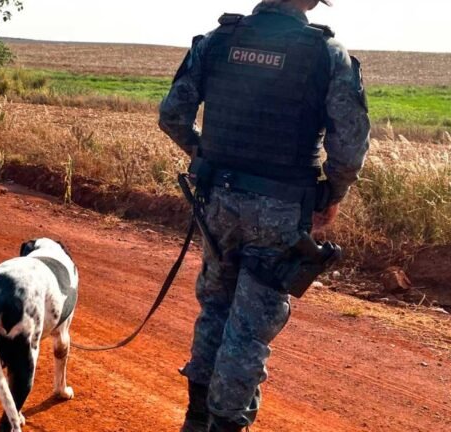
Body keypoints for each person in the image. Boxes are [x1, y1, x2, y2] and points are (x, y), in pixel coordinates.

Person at [159, 0, 370, 431]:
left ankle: (196, 419)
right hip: (280, 210)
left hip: (216, 202)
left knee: (215, 307)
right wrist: (332, 192)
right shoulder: (327, 53)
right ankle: (224, 424)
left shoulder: (218, 40)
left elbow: (172, 115)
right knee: (249, 329)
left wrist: (205, 156)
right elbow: (348, 146)